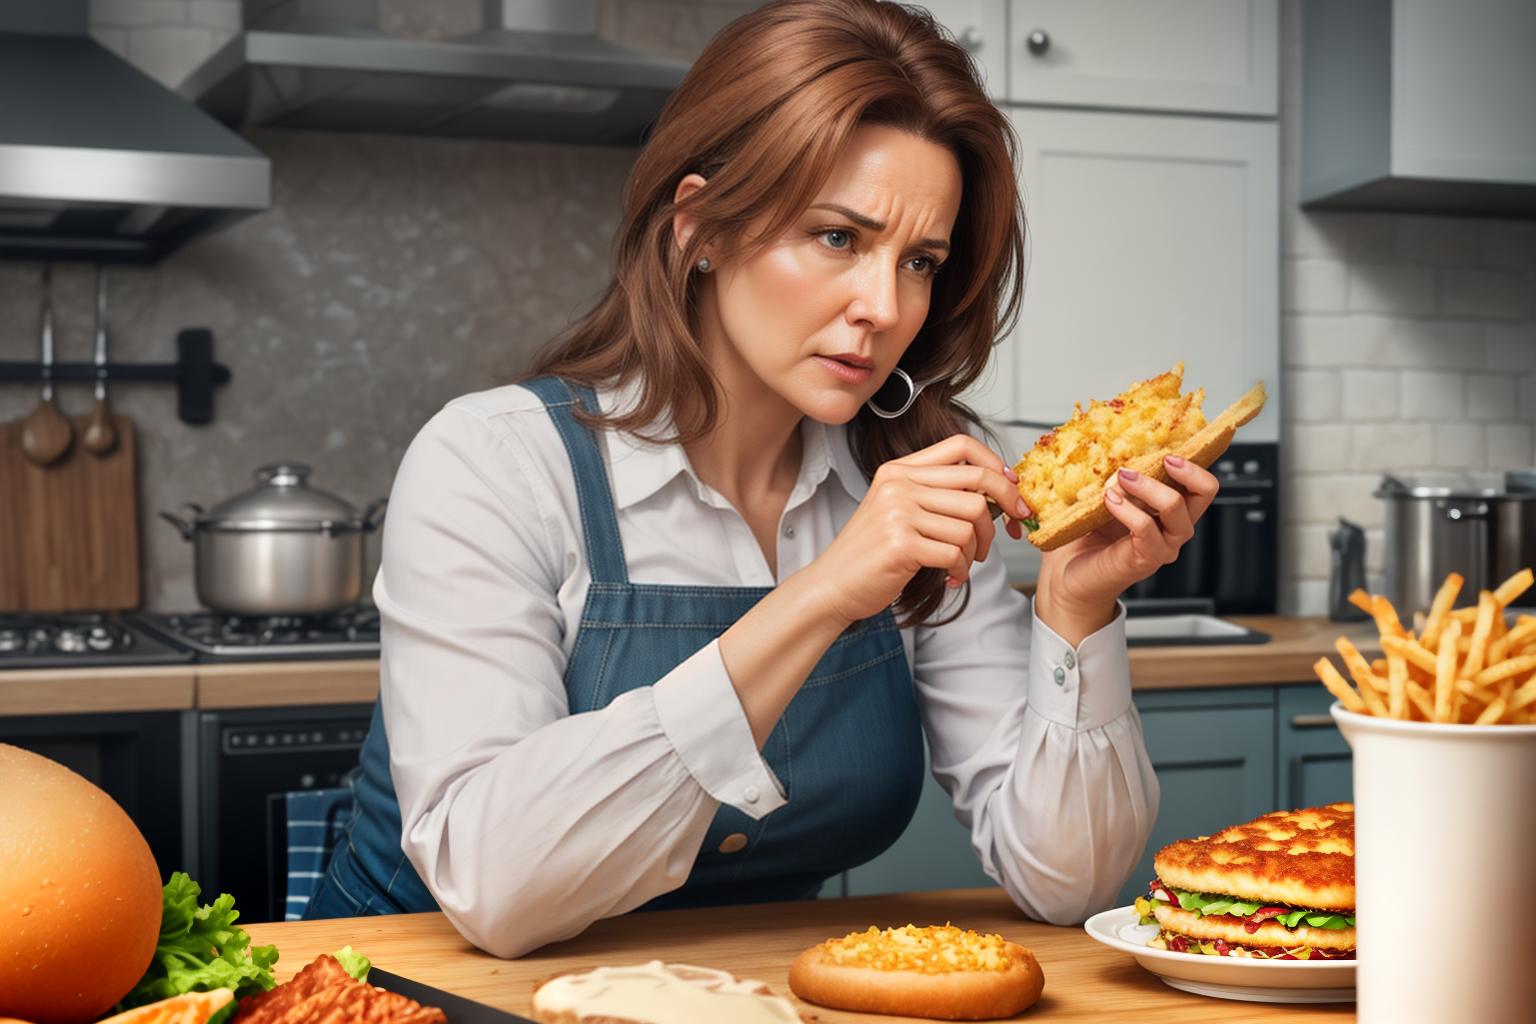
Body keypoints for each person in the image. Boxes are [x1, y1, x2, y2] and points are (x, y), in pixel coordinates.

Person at [306, 0, 1218, 958]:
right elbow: (493, 889)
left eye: (920, 262)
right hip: (403, 992)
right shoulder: (491, 463)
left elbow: (1066, 879)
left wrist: (1073, 611)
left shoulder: (920, 477)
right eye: (837, 238)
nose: (883, 306)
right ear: (698, 226)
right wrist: (823, 595)